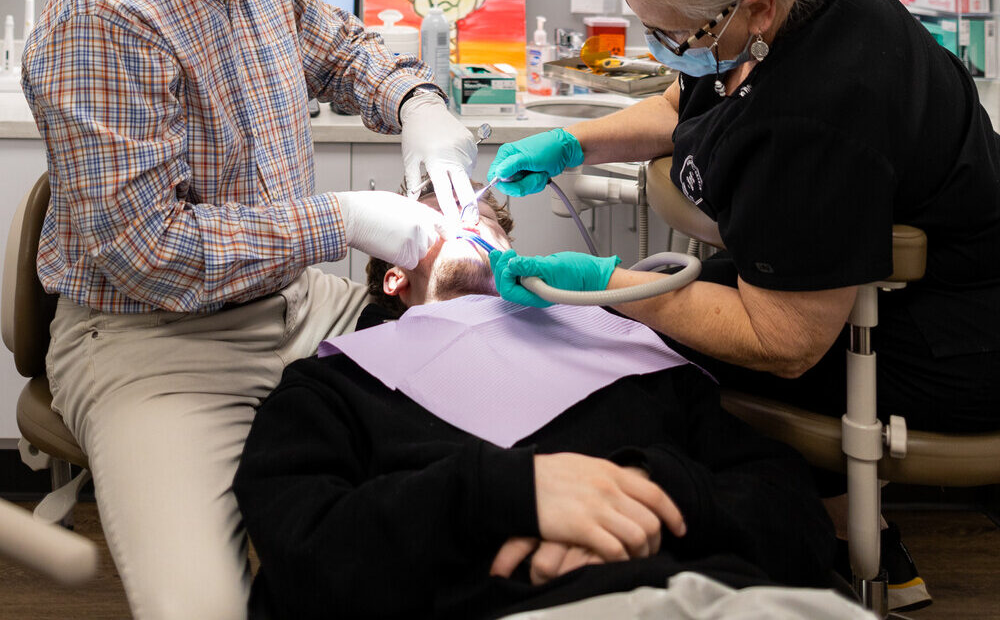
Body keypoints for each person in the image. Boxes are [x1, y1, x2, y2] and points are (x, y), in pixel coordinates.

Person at [19, 0, 478, 620]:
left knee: (488, 441)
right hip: (156, 343)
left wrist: (416, 101)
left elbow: (342, 51)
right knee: (199, 608)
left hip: (297, 306)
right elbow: (150, 253)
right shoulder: (105, 9)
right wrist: (345, 219)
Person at [485, 0, 1000, 612]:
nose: (665, 51)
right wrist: (576, 144)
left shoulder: (817, 112)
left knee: (659, 358)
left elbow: (782, 342)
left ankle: (816, 555)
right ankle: (862, 539)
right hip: (886, 292)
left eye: (673, 35)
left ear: (755, 10)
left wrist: (601, 287)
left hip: (957, 339)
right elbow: (687, 100)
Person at [233, 187, 839, 620]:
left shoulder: (629, 351)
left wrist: (648, 493)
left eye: (482, 218)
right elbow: (305, 550)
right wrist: (506, 495)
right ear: (396, 275)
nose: (466, 218)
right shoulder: (339, 386)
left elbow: (793, 515)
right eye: (438, 218)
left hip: (705, 595)